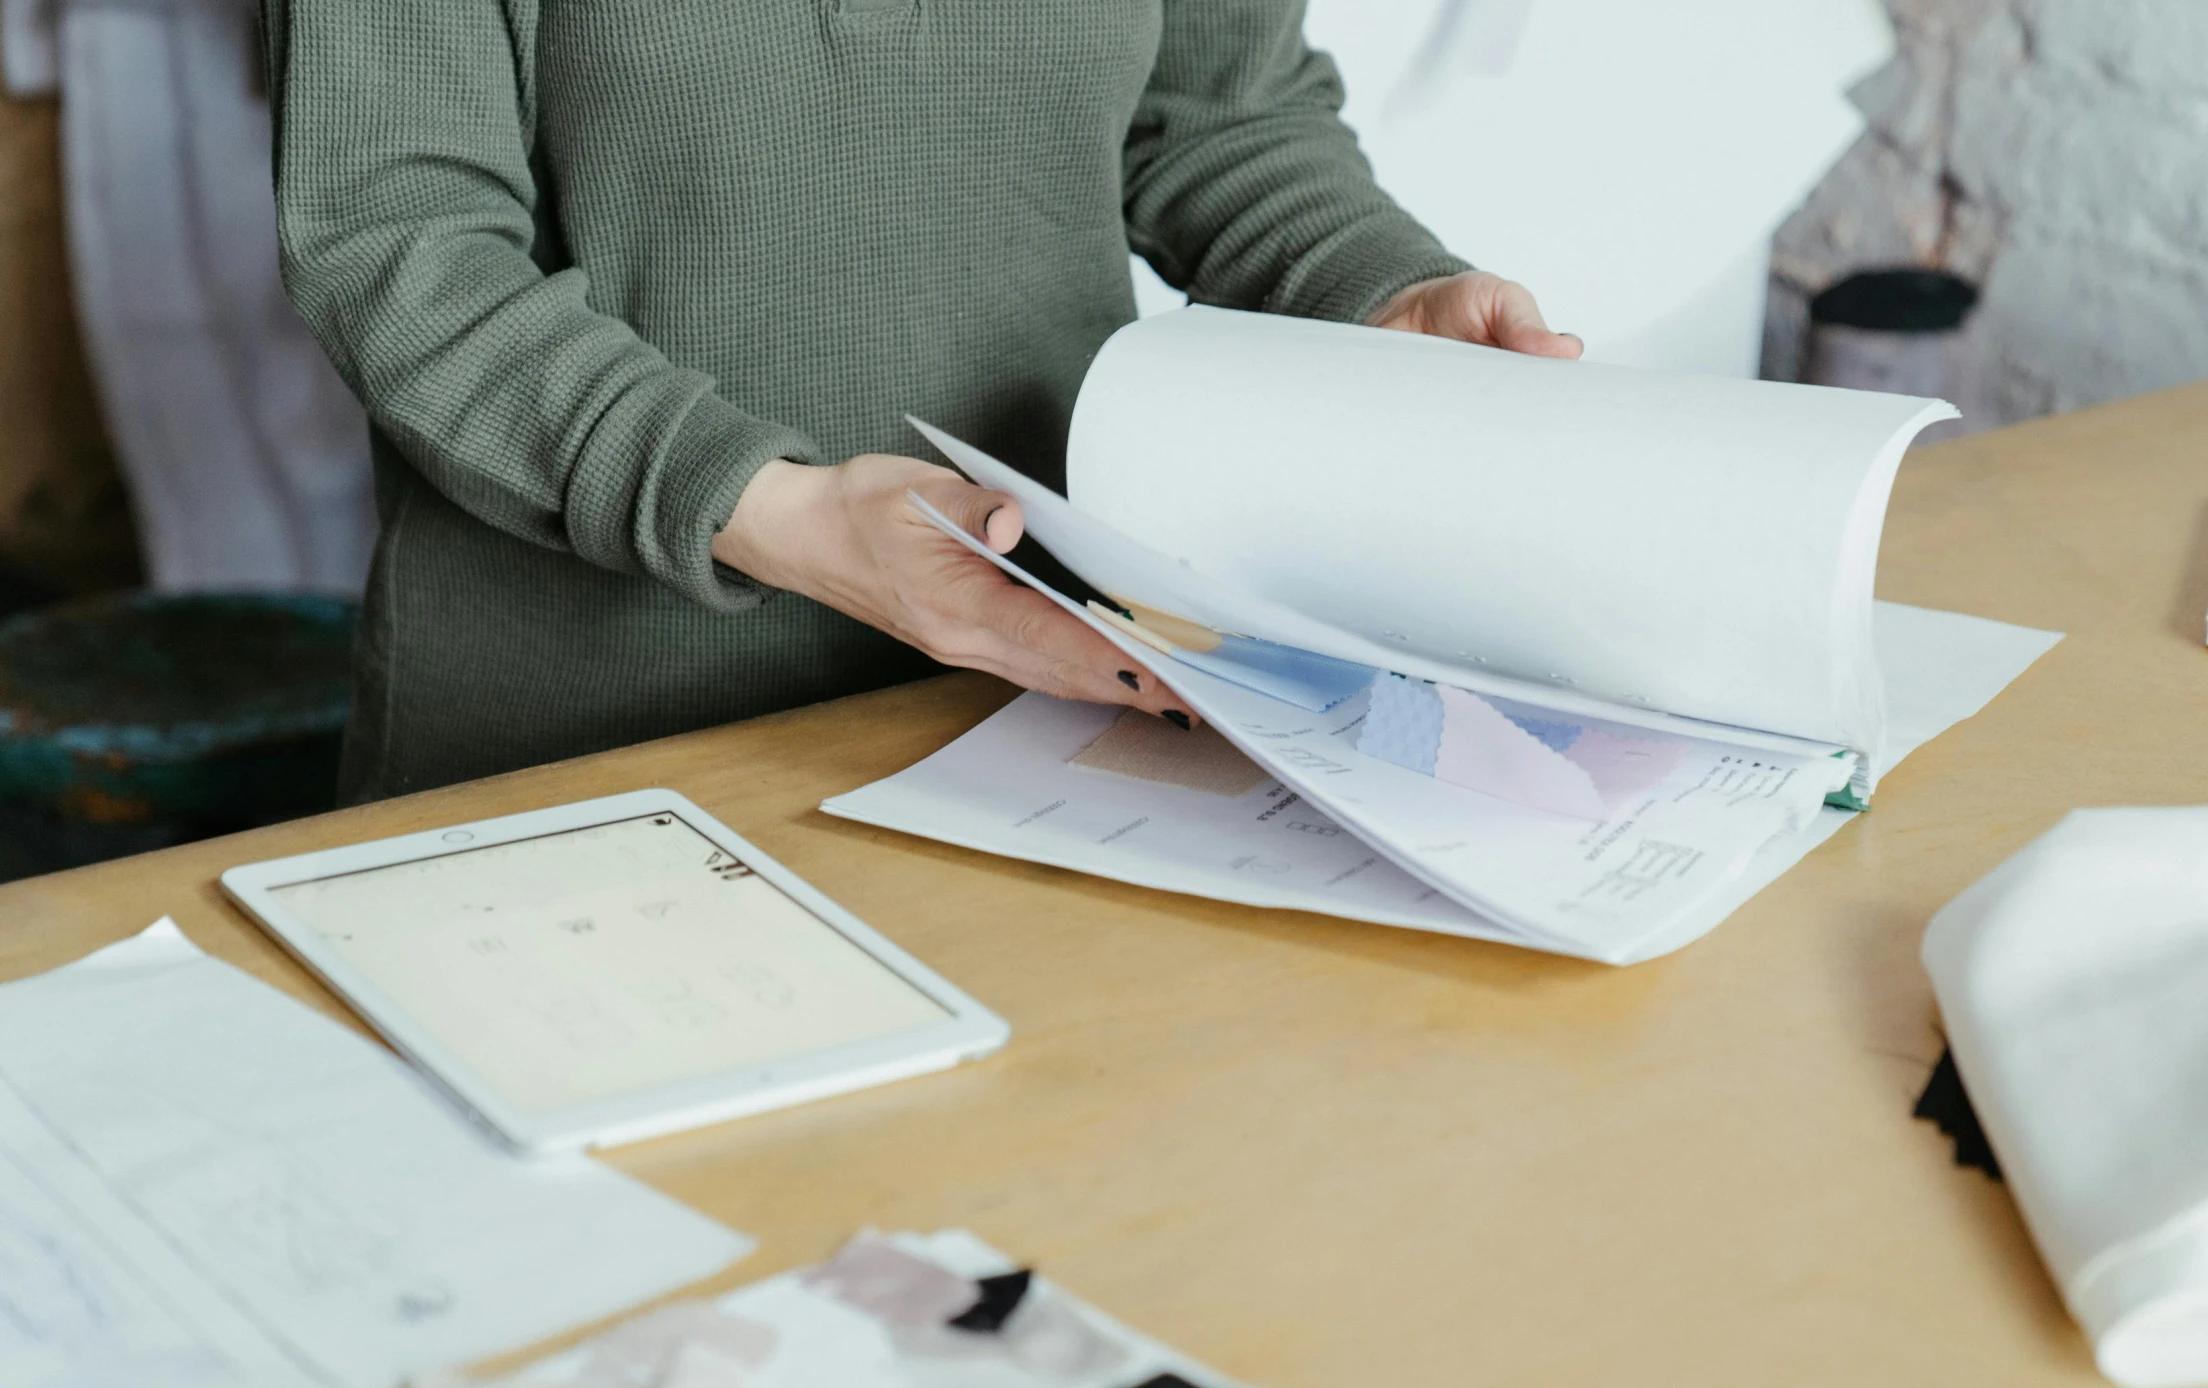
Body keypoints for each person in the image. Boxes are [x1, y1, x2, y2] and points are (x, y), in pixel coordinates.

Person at [258, 1, 1580, 802]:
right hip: (585, 739)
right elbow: (398, 248)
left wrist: (1381, 288)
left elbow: (1219, 121)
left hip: (1057, 708)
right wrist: (765, 506)